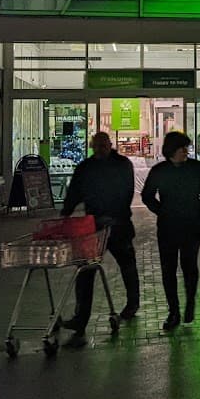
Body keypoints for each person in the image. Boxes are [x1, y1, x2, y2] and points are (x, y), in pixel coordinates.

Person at [59, 132, 139, 348]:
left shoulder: (120, 165)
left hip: (116, 224)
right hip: (95, 225)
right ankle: (81, 317)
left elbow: (127, 192)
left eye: (104, 145)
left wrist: (114, 215)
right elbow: (75, 192)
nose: (101, 148)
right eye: (98, 145)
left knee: (126, 264)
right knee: (86, 271)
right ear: (93, 146)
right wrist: (65, 213)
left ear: (110, 145)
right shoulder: (87, 168)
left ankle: (132, 303)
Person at [142, 131, 200, 330]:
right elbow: (147, 196)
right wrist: (161, 210)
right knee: (168, 271)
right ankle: (174, 311)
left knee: (190, 267)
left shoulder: (194, 167)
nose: (186, 151)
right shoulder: (160, 171)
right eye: (182, 148)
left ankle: (190, 303)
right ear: (172, 150)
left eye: (187, 147)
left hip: (191, 225)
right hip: (168, 227)